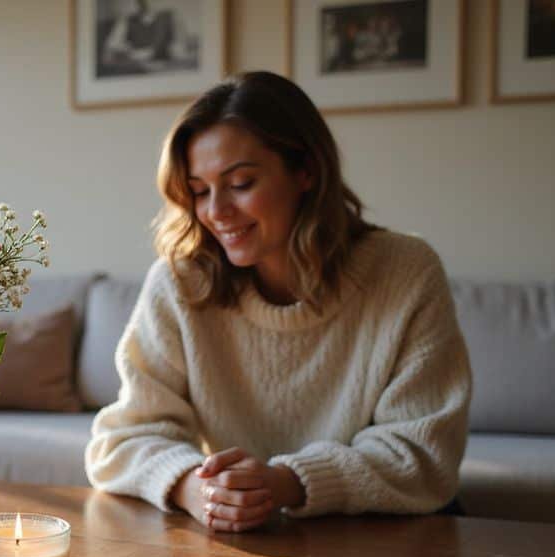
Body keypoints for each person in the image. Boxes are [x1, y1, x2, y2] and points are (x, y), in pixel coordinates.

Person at [84, 71, 472, 533]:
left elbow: (424, 455)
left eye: (241, 182)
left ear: (305, 170)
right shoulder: (179, 282)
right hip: (240, 537)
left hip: (390, 534)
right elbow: (121, 440)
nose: (217, 212)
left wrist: (286, 482)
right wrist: (196, 487)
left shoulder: (406, 272)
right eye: (200, 191)